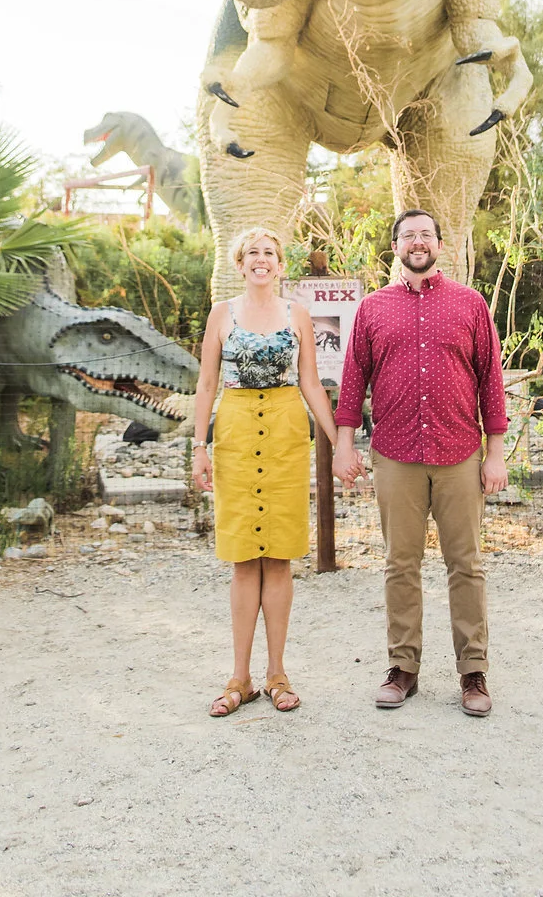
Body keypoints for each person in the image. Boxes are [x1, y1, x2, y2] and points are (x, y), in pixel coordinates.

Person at [333, 208, 508, 717]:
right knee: (400, 565)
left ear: (438, 244)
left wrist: (494, 453)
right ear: (396, 247)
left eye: (426, 234)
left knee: (466, 566)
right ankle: (403, 668)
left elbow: (490, 381)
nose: (418, 242)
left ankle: (473, 673)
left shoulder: (470, 305)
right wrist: (345, 444)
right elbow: (352, 383)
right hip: (395, 455)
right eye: (408, 235)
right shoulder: (372, 309)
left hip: (459, 454)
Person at [192, 226, 363, 717]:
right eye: (252, 254)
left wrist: (338, 442)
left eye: (269, 253)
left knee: (281, 557)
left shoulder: (299, 315)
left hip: (288, 432)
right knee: (245, 558)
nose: (261, 260)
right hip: (238, 432)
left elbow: (310, 382)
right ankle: (239, 678)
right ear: (240, 264)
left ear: (281, 264)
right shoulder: (221, 314)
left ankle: (277, 674)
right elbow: (206, 384)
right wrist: (199, 447)